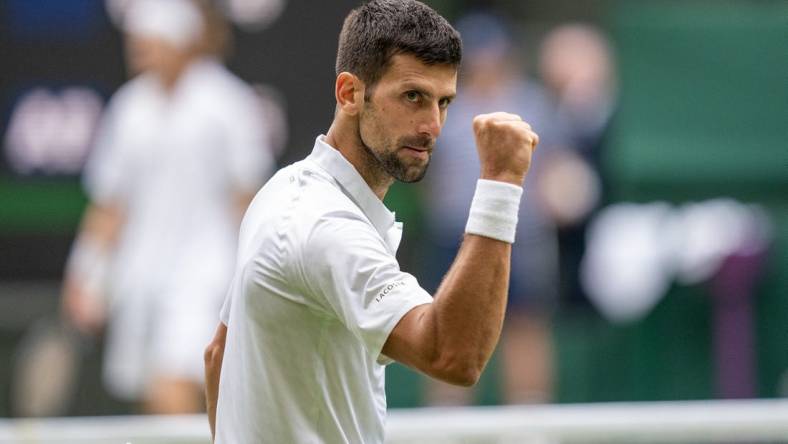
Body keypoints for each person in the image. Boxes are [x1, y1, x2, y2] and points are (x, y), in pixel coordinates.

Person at [204, 1, 539, 442]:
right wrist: (500, 182)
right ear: (349, 94)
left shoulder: (284, 192)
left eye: (444, 102)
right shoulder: (324, 226)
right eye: (413, 97)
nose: (433, 125)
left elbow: (218, 357)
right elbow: (453, 356)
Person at [61, 0, 274, 414]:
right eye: (138, 44)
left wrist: (258, 276)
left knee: (173, 387)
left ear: (182, 41)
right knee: (158, 402)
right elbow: (110, 205)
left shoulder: (228, 104)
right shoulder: (128, 108)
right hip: (138, 278)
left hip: (207, 276)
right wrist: (83, 274)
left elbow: (247, 202)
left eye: (151, 43)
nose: (142, 53)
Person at [422, 12, 564, 405]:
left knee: (525, 324)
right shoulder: (443, 107)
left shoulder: (534, 103)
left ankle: (529, 422)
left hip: (522, 234)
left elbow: (556, 170)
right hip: (454, 233)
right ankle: (446, 426)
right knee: (446, 327)